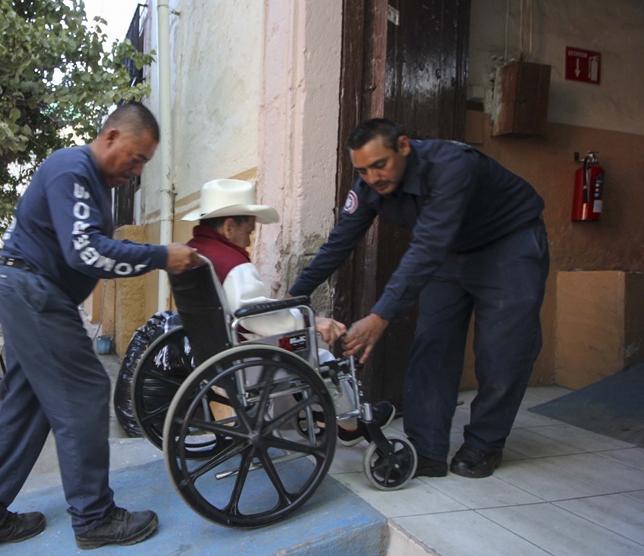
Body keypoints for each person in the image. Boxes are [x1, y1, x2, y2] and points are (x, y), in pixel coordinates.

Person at [0, 102, 200, 551]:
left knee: (26, 405)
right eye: (137, 157)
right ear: (110, 136)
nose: (136, 172)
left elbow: (93, 256)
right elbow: (86, 254)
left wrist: (155, 260)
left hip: (30, 292)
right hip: (34, 293)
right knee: (85, 391)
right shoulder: (71, 168)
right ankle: (94, 517)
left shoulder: (90, 182)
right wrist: (161, 257)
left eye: (145, 163)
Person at [288, 118, 549, 479]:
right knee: (433, 343)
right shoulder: (368, 186)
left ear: (404, 146)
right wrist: (293, 296)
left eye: (380, 164)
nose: (374, 177)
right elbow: (340, 242)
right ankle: (427, 450)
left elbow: (427, 247)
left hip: (508, 243)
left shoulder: (451, 167)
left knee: (503, 349)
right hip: (450, 253)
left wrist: (380, 316)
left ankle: (484, 443)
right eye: (363, 170)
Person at [181, 179, 394, 445]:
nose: (249, 240)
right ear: (229, 226)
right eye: (248, 231)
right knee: (322, 358)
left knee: (305, 347)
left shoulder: (196, 252)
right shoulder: (234, 265)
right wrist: (310, 321)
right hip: (246, 360)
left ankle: (320, 415)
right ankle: (350, 425)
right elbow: (256, 316)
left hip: (216, 354)